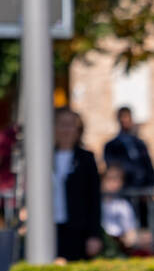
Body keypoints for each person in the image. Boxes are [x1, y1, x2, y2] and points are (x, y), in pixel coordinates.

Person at [52, 107, 102, 262]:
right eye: (62, 124)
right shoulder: (44, 156)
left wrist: (94, 235)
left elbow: (94, 198)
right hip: (50, 226)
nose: (66, 130)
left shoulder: (86, 159)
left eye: (71, 125)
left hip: (77, 228)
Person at [103, 106, 154, 225]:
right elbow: (113, 166)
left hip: (142, 193)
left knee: (144, 224)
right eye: (123, 118)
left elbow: (147, 165)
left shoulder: (139, 143)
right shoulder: (111, 145)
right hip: (125, 191)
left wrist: (150, 185)